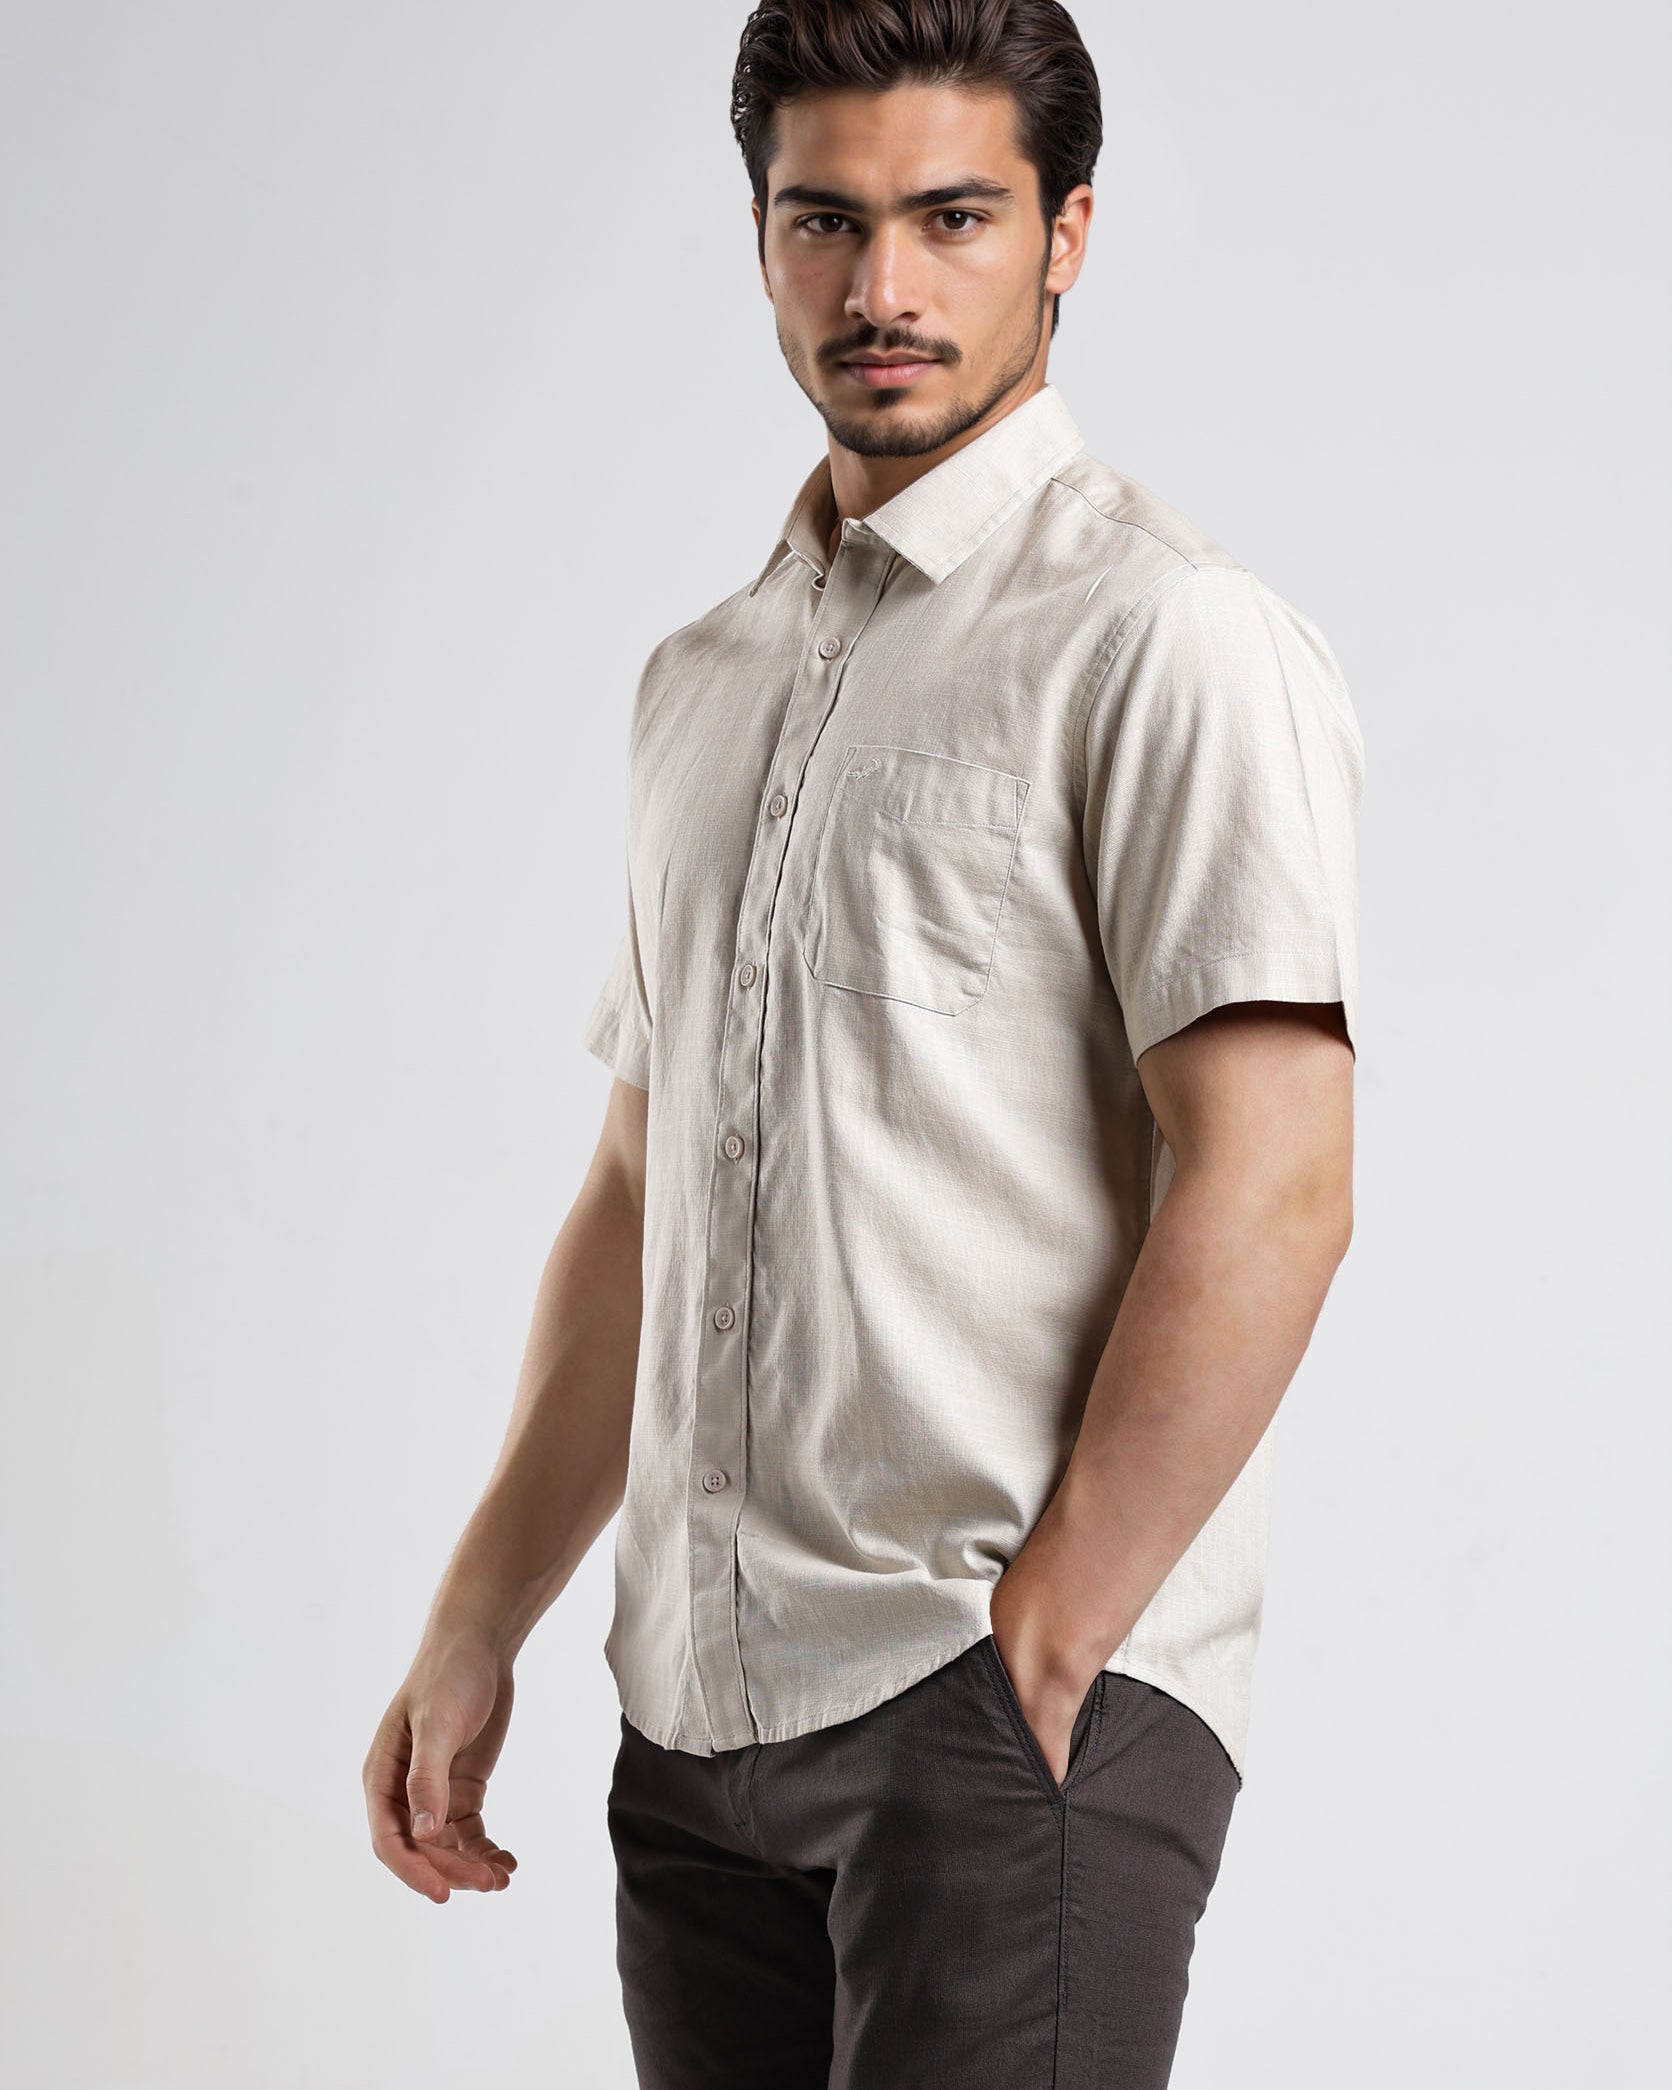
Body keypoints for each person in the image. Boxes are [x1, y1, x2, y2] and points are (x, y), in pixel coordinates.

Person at [363, 3, 1365, 2083]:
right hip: (698, 1726)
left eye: (950, 218)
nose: (880, 287)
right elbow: (643, 1185)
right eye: (823, 221)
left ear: (1063, 235)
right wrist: (484, 1616)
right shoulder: (697, 683)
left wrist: (1051, 1645)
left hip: (988, 1699)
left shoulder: (1164, 640)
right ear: (758, 241)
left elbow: (1270, 1177)